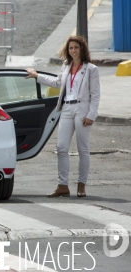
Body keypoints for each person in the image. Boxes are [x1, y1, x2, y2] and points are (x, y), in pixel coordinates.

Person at [25, 36, 100, 198]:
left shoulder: (91, 69)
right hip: (66, 108)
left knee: (83, 149)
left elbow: (95, 95)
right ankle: (62, 185)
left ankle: (82, 185)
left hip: (82, 110)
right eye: (71, 48)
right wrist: (37, 76)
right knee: (61, 147)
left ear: (82, 49)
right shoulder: (66, 65)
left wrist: (91, 115)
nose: (73, 51)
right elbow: (58, 83)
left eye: (76, 48)